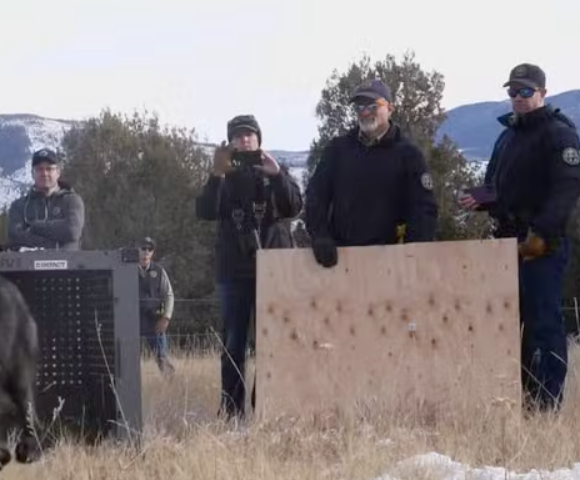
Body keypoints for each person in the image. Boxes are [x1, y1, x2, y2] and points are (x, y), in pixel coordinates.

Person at [460, 63, 580, 413]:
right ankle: (524, 401)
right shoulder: (507, 136)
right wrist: (481, 199)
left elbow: (567, 189)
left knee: (544, 324)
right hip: (507, 245)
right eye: (513, 92)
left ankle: (547, 405)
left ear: (543, 93)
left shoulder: (559, 133)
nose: (518, 98)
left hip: (543, 246)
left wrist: (542, 235)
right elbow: (498, 187)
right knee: (513, 328)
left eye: (526, 92)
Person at [196, 114, 303, 419]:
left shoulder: (273, 168)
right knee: (233, 344)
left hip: (274, 269)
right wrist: (216, 175)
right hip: (235, 272)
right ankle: (231, 411)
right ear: (230, 142)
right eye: (238, 136)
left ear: (259, 139)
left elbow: (294, 207)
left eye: (250, 135)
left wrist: (278, 175)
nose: (244, 140)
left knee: (272, 341)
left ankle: (265, 406)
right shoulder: (224, 175)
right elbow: (204, 211)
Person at [305, 78, 438, 268]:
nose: (365, 112)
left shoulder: (408, 155)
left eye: (373, 106)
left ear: (390, 108)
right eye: (359, 107)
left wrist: (411, 253)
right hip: (341, 261)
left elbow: (424, 210)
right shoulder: (337, 150)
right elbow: (315, 195)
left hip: (392, 263)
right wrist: (320, 235)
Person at [7, 148, 85, 250]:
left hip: (69, 264)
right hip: (28, 264)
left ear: (58, 172)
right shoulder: (19, 206)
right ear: (32, 174)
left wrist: (33, 227)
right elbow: (15, 237)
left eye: (49, 169)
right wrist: (53, 244)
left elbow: (72, 231)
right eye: (39, 169)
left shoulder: (72, 200)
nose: (44, 173)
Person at [137, 237, 176, 376]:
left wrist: (166, 317)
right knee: (127, 360)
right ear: (137, 250)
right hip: (132, 322)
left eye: (150, 249)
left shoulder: (159, 271)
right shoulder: (127, 270)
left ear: (153, 252)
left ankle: (171, 388)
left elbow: (169, 295)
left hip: (155, 321)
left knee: (162, 358)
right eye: (143, 248)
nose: (146, 252)